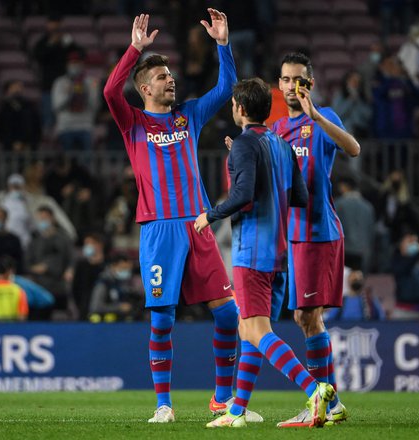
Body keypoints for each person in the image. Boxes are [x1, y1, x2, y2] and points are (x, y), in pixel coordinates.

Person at [103, 10, 261, 424]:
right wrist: (135, 49)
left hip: (198, 224)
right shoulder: (133, 122)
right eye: (160, 77)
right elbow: (108, 93)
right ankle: (163, 405)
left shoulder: (187, 115)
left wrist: (223, 45)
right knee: (163, 319)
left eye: (170, 74)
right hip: (159, 230)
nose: (170, 79)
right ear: (143, 88)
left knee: (228, 314)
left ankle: (222, 399)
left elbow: (227, 87)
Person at [194, 78, 334, 428]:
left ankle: (314, 389)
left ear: (240, 108)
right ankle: (237, 411)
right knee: (249, 330)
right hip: (281, 255)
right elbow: (300, 197)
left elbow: (242, 194)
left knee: (255, 331)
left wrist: (209, 216)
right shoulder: (282, 145)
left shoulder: (245, 144)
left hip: (252, 252)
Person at [272, 52, 361, 426]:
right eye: (287, 79)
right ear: (279, 85)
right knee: (305, 317)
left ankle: (321, 401)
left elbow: (354, 148)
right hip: (292, 236)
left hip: (317, 231)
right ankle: (331, 400)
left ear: (310, 83)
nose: (293, 86)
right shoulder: (275, 130)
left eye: (299, 79)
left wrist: (318, 118)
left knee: (307, 316)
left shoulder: (323, 119)